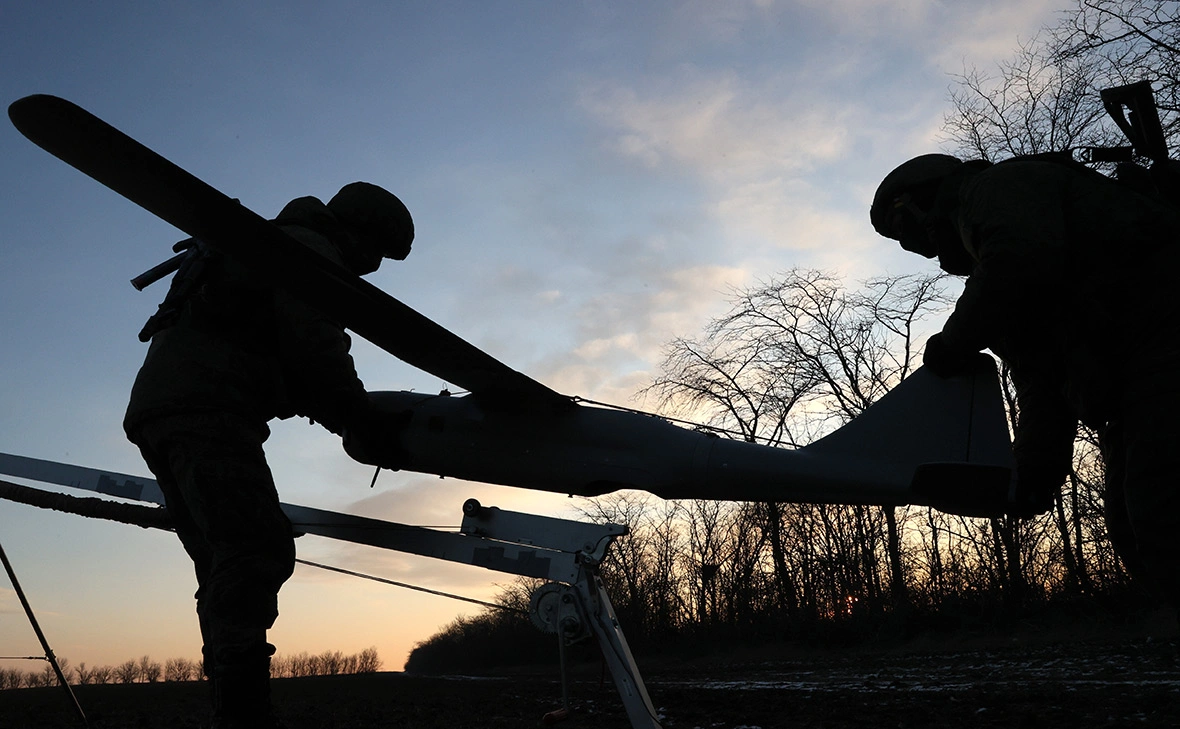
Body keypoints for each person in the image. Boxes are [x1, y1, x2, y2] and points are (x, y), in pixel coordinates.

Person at [123, 182, 413, 728]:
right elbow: (315, 347)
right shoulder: (306, 247)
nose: (371, 269)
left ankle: (232, 704)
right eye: (375, 255)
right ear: (355, 231)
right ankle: (243, 714)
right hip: (208, 408)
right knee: (256, 548)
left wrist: (339, 413)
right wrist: (363, 418)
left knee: (223, 559)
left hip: (165, 412)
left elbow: (280, 355)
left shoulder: (262, 246)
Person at [870, 153, 1180, 612]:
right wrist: (1034, 474)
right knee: (1133, 527)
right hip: (1130, 389)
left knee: (1162, 513)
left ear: (919, 204)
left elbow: (1020, 256)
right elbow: (1042, 384)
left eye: (906, 234)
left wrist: (955, 342)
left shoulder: (996, 189)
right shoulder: (1000, 286)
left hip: (1164, 341)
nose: (924, 253)